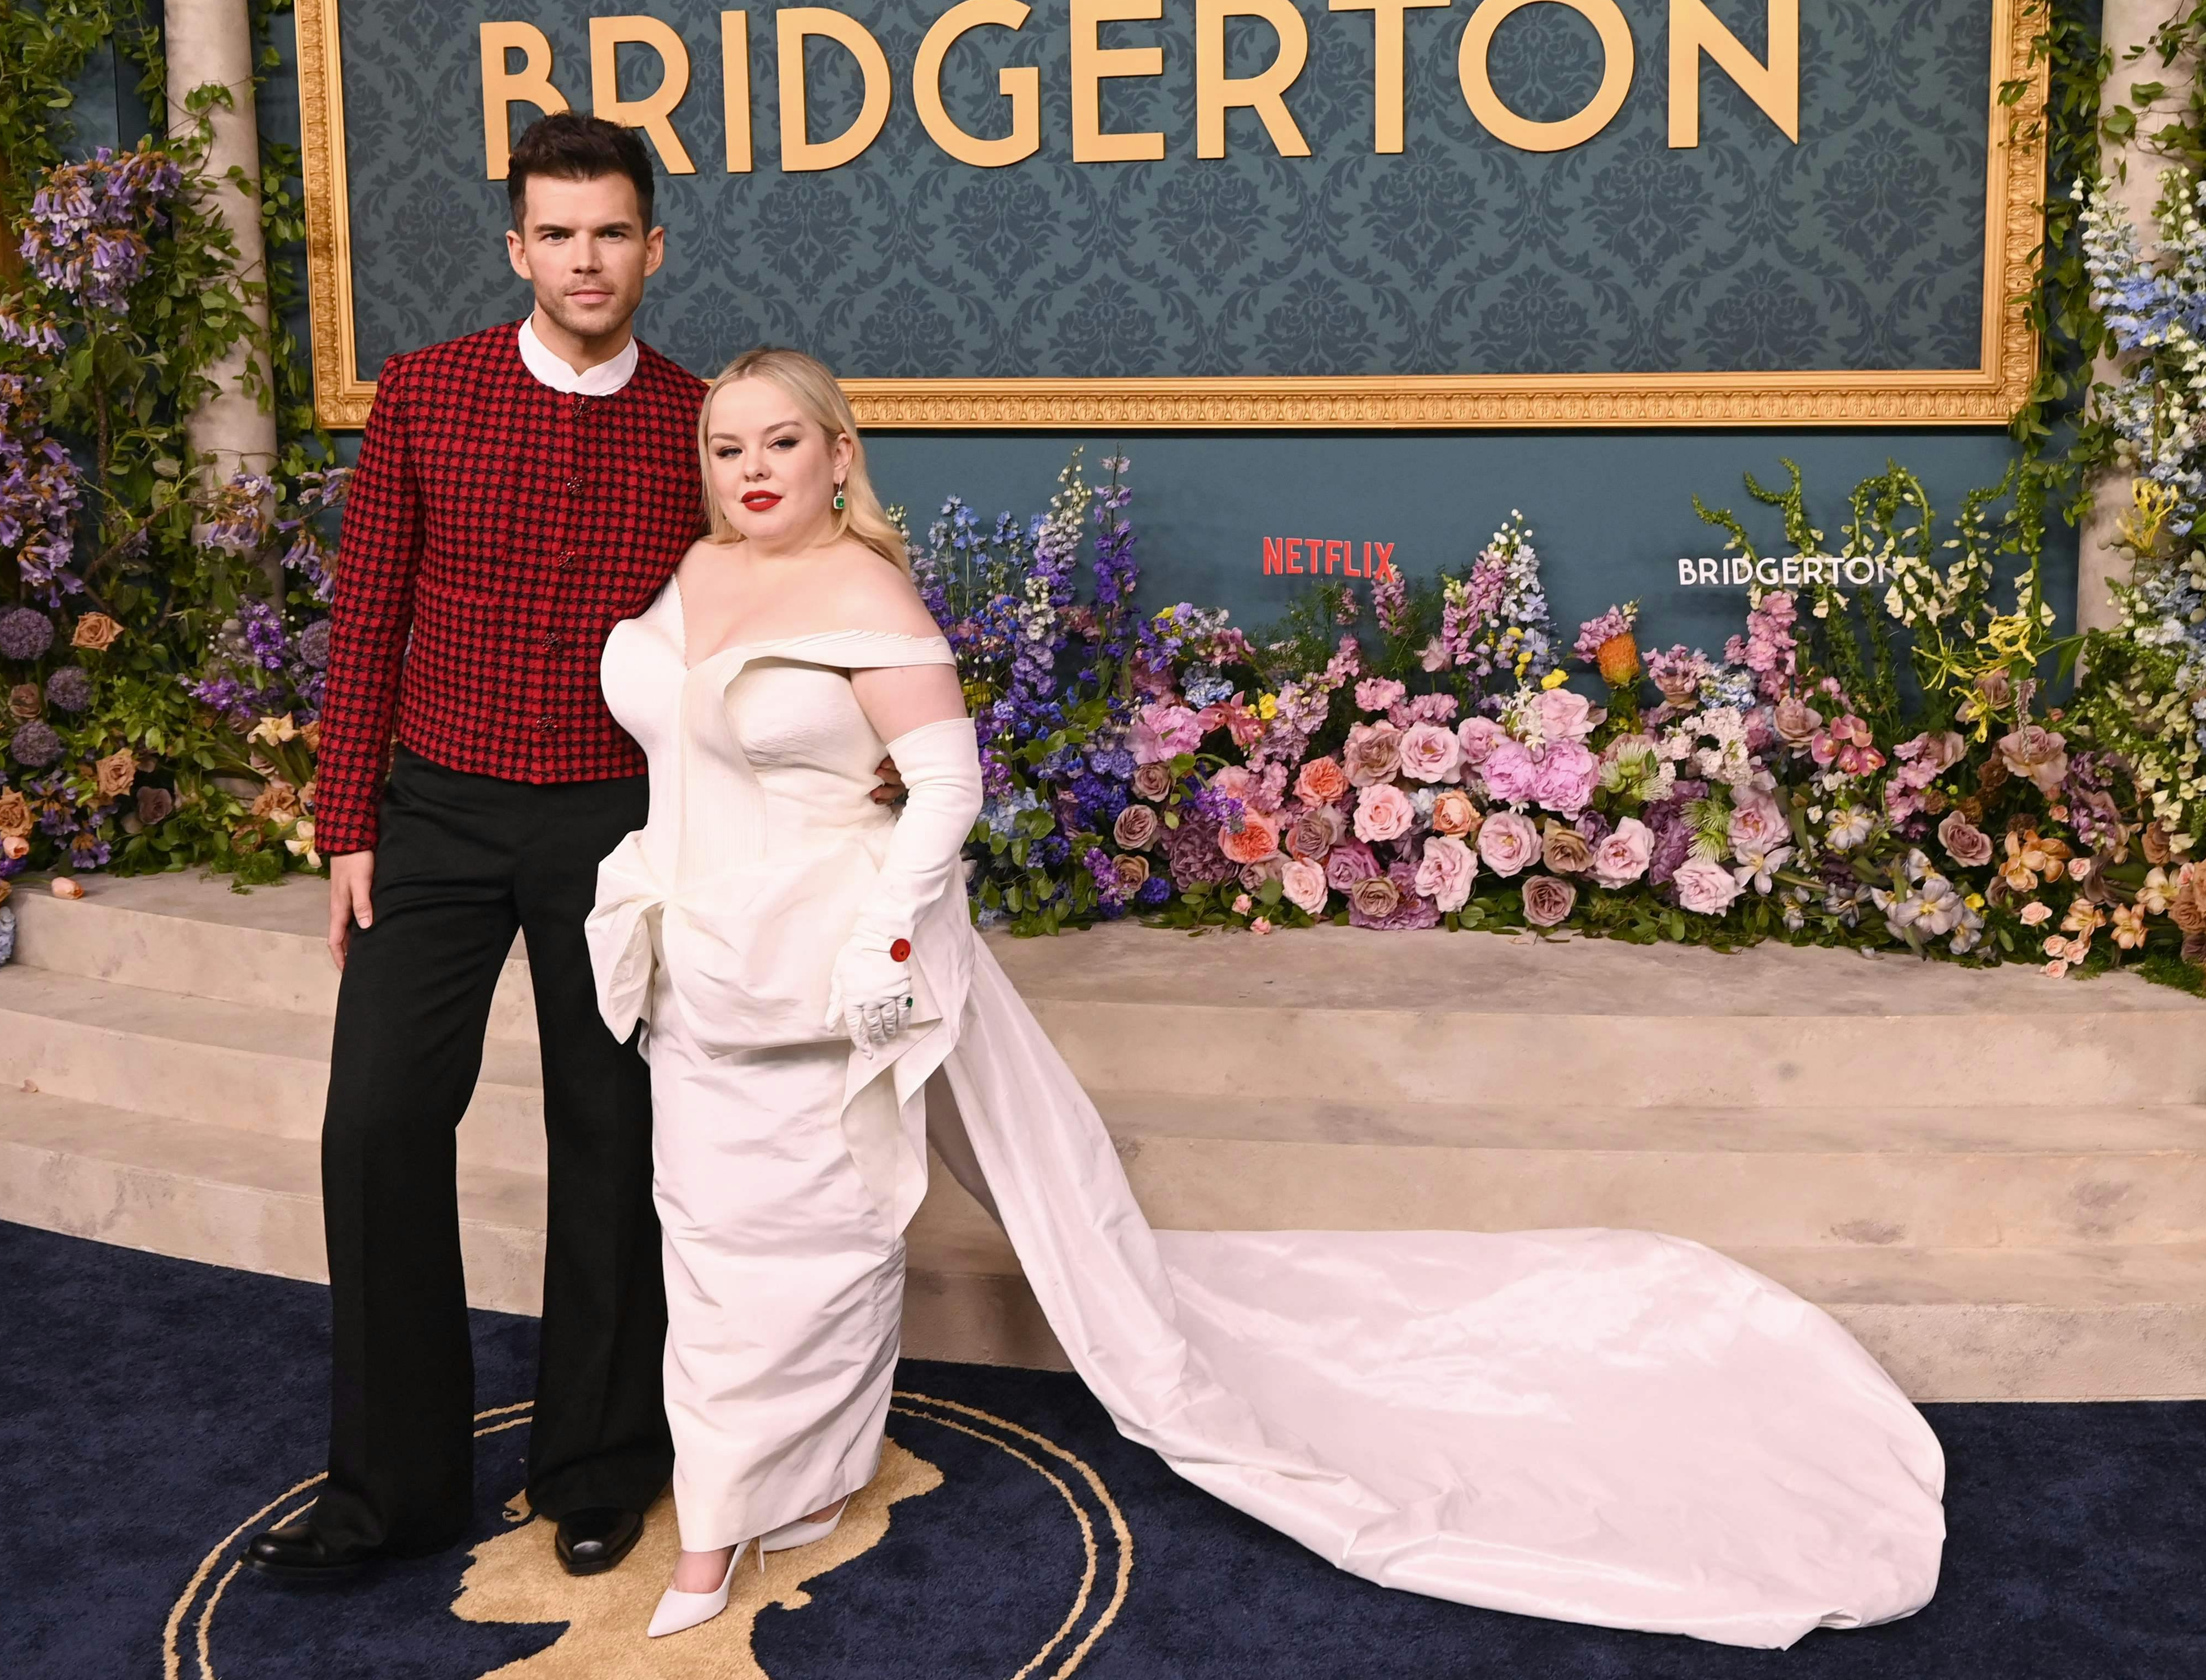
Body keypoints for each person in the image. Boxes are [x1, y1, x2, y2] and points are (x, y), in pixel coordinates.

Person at [590, 348, 1952, 1650]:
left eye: (782, 442)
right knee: (706, 1236)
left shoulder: (867, 598)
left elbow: (944, 785)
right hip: (697, 965)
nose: (751, 469)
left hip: (824, 973)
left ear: (839, 457)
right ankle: (740, 1489)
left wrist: (884, 940)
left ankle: (740, 1511)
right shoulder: (695, 570)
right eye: (726, 447)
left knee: (810, 1240)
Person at [245, 111, 707, 1584]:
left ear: (650, 246)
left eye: (612, 232)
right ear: (519, 247)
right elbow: (367, 612)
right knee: (376, 1125)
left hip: (616, 826)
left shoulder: (695, 418)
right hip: (432, 814)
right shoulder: (425, 395)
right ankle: (392, 1490)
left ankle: (597, 1460)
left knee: (613, 1132)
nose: (587, 258)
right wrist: (343, 825)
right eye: (558, 234)